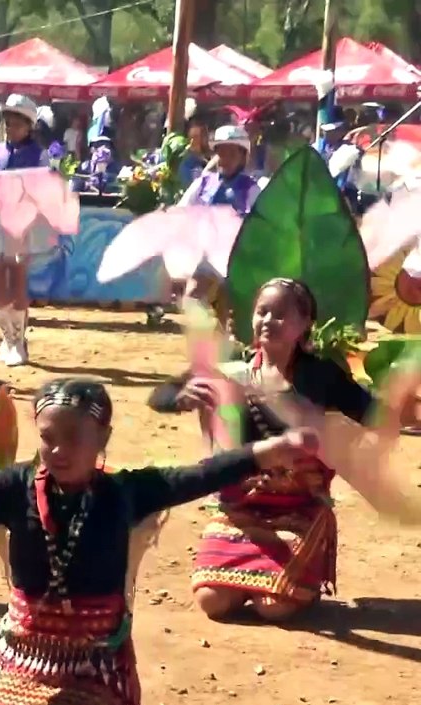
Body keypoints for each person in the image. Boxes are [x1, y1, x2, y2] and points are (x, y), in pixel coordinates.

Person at [0, 377, 318, 705]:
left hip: (94, 665)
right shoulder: (13, 488)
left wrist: (269, 451)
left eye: (73, 437)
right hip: (23, 658)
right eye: (47, 438)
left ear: (103, 437)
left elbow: (200, 475)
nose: (58, 450)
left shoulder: (124, 493)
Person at [153, 278, 411, 623]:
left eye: (280, 314)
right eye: (262, 312)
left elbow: (378, 418)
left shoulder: (321, 375)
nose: (267, 320)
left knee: (273, 607)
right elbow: (159, 396)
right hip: (241, 508)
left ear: (305, 323)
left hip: (298, 508)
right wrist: (180, 397)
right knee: (213, 602)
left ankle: (308, 577)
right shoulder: (231, 371)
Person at [0, 95, 51, 368]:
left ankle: (18, 341)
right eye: (8, 123)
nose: (11, 128)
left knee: (17, 272)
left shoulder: (39, 154)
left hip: (24, 223)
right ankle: (7, 337)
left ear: (29, 126)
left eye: (17, 124)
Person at [179, 125, 262, 318]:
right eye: (222, 152)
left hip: (235, 258)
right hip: (206, 254)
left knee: (228, 310)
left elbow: (259, 226)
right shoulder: (203, 183)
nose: (226, 158)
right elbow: (183, 210)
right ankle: (206, 331)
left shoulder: (251, 189)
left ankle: (222, 331)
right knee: (192, 298)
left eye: (232, 153)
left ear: (242, 156)